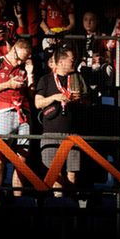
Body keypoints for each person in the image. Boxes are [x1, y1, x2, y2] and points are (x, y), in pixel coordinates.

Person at [0, 35, 36, 204]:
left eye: (24, 60)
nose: (20, 63)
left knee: (22, 159)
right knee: (0, 157)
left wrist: (31, 73)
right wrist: (8, 85)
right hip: (4, 111)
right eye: (18, 58)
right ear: (13, 49)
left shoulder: (25, 67)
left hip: (24, 114)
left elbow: (33, 96)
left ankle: (18, 200)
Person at [34, 45, 84, 191]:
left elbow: (87, 102)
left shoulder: (77, 78)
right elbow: (38, 103)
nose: (74, 62)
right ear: (61, 62)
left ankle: (70, 207)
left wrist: (79, 100)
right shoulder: (46, 80)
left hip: (73, 133)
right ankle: (58, 206)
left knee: (72, 174)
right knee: (55, 175)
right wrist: (55, 97)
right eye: (71, 60)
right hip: (51, 132)